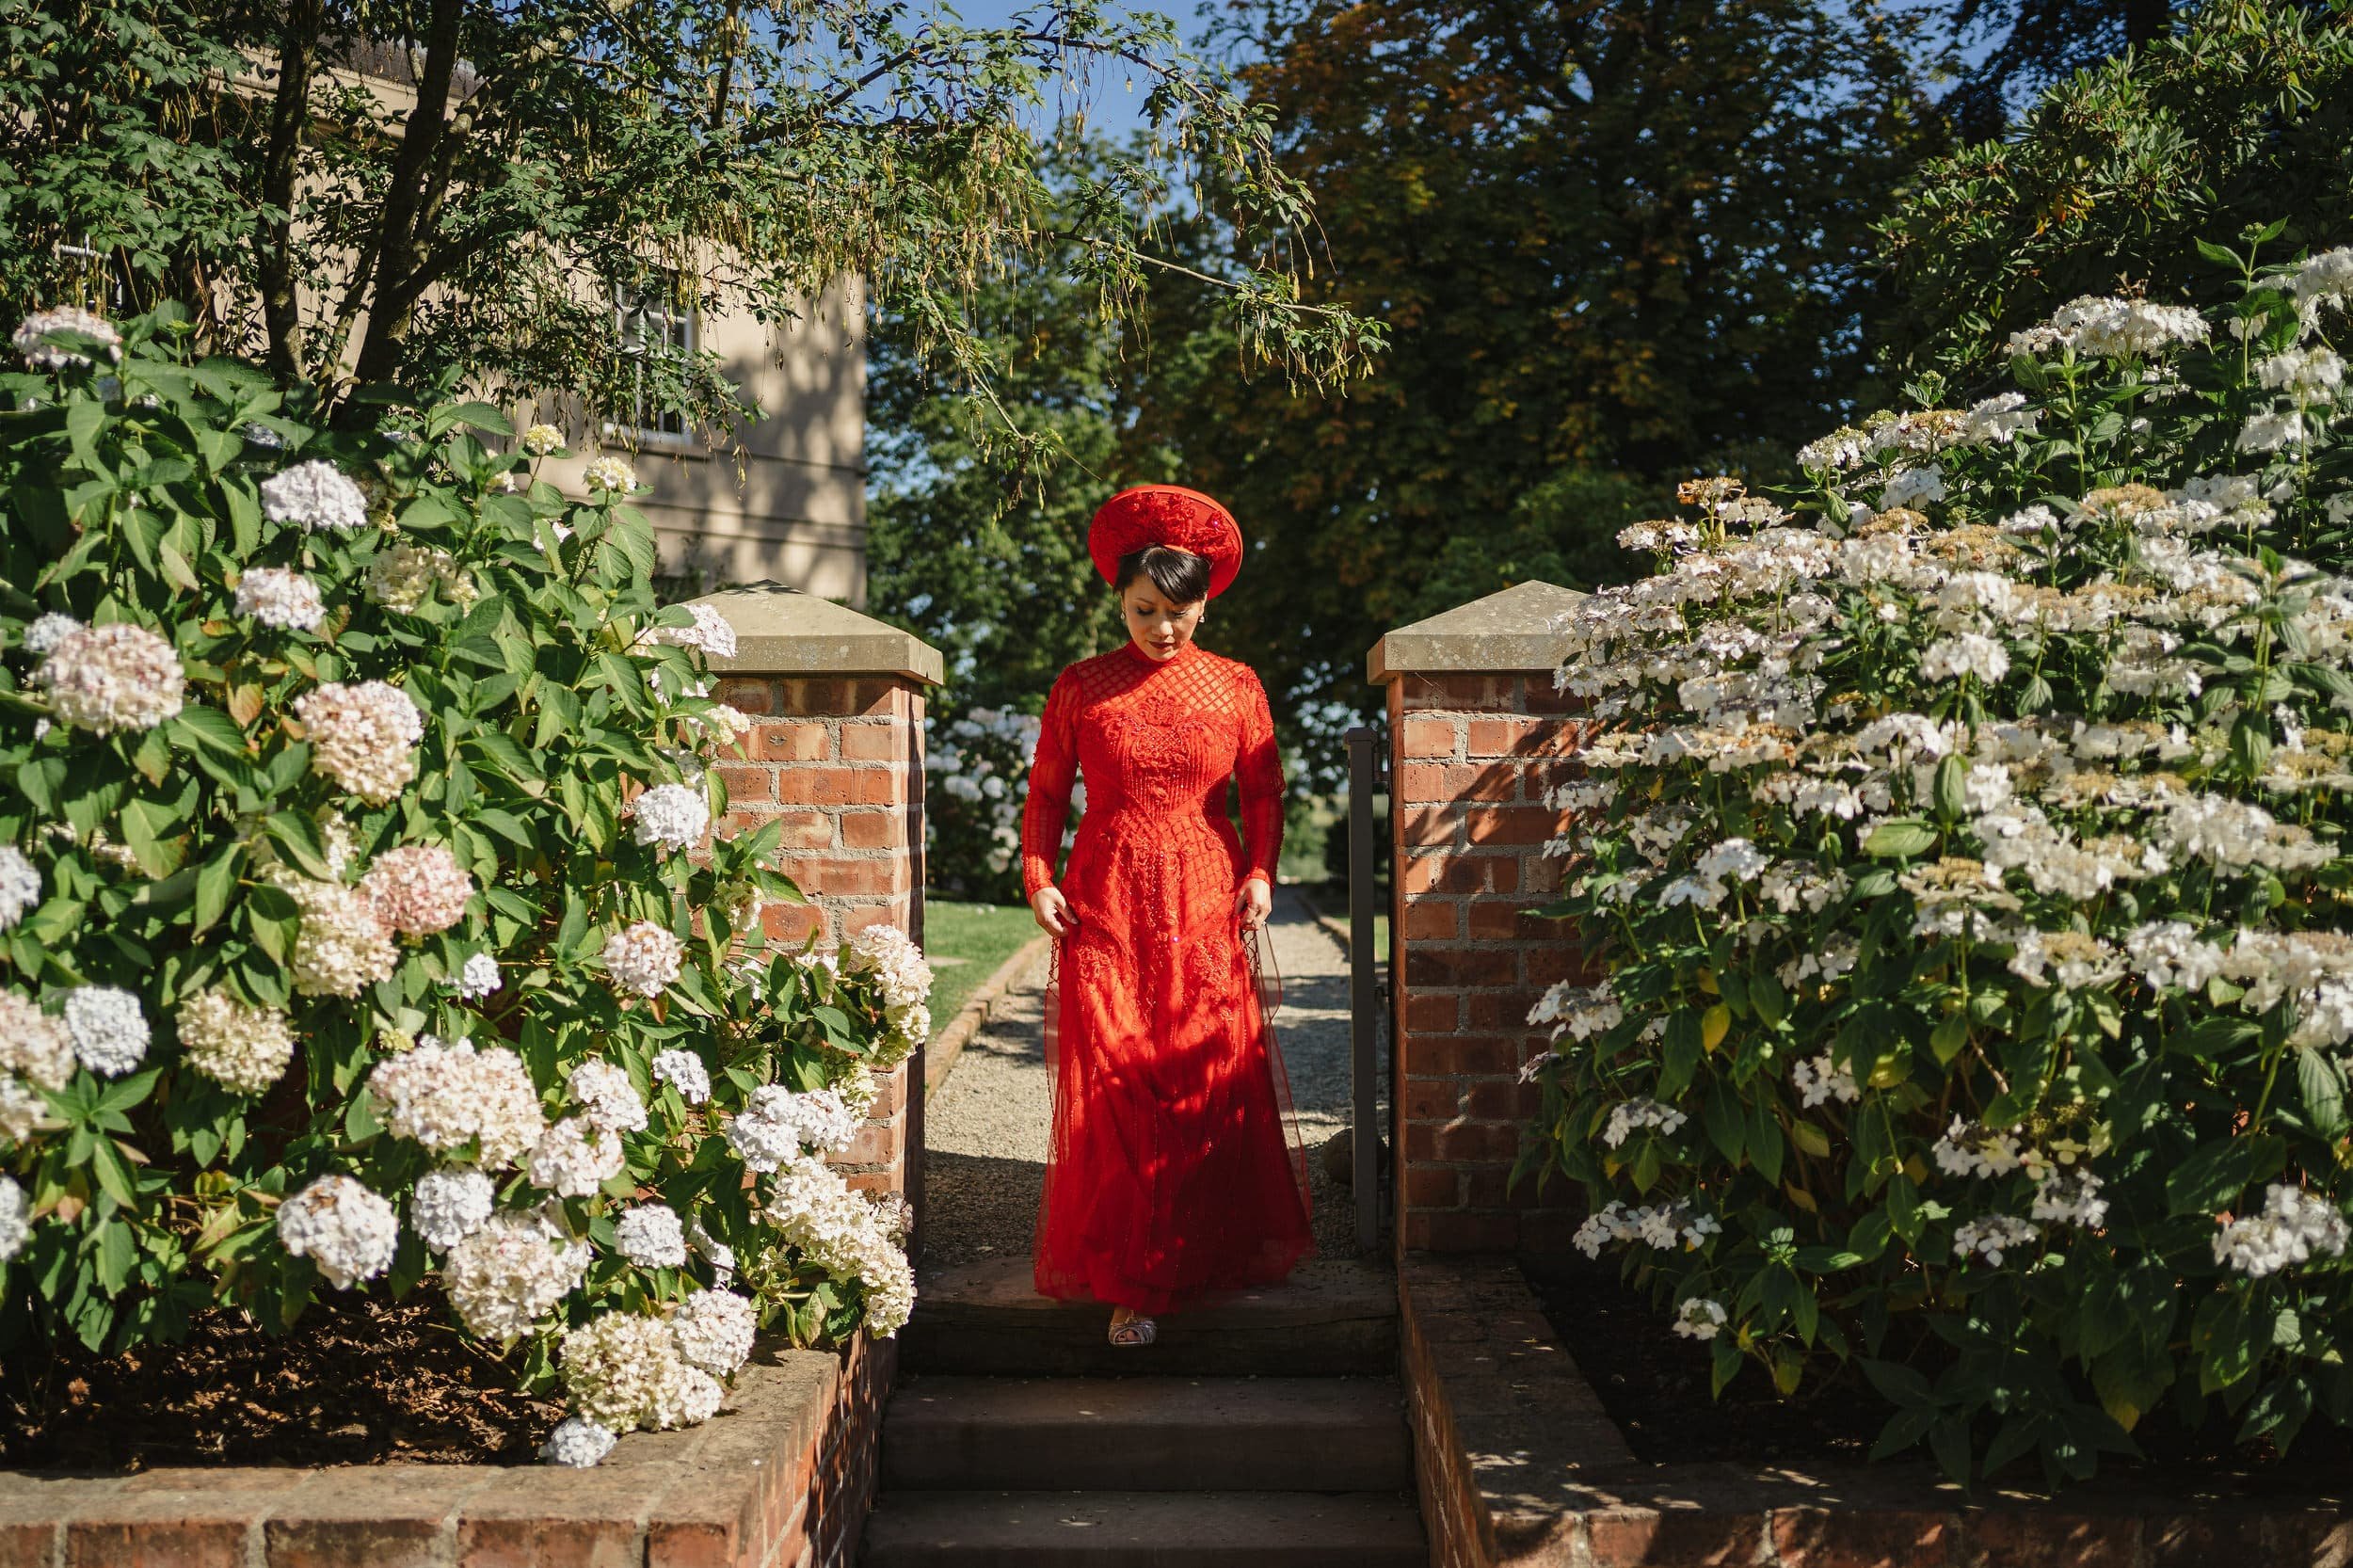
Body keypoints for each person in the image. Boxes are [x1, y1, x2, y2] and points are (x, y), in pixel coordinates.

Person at [1019, 483, 1316, 1347]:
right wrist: (1038, 877)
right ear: (1120, 599)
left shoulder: (1237, 685)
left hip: (1204, 896)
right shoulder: (1082, 686)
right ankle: (1132, 1275)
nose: (1162, 628)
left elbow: (1264, 792)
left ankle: (1194, 1254)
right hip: (1105, 898)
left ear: (1204, 605)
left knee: (1199, 1070)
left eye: (1179, 612)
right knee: (1119, 1074)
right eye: (1145, 610)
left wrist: (1262, 872)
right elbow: (1047, 794)